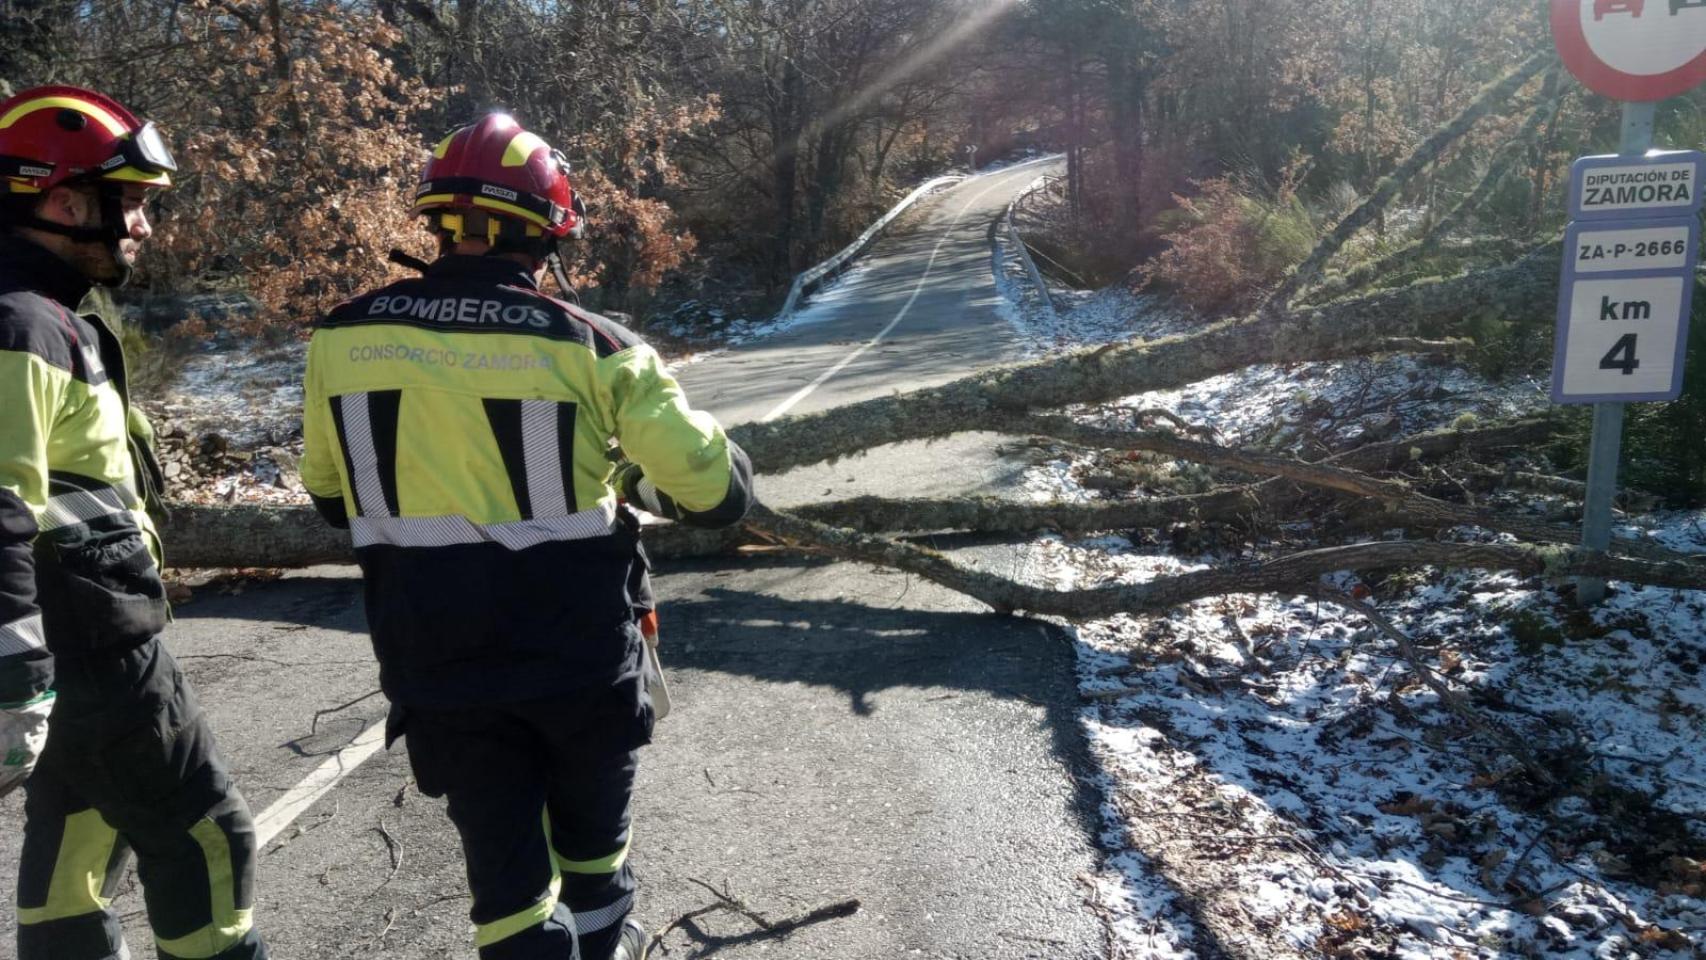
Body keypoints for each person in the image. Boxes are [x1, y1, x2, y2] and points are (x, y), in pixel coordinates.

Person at [300, 112, 753, 960]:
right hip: (578, 656)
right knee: (593, 845)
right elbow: (715, 492)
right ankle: (606, 939)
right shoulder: (595, 343)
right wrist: (634, 475)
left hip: (433, 658)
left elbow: (331, 493)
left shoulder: (342, 334)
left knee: (505, 887)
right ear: (550, 230)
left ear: (438, 222)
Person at [0, 85, 268, 960]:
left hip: (74, 639)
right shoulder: (22, 325)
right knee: (206, 840)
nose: (144, 226)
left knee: (78, 845)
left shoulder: (45, 313)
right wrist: (16, 679)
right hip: (90, 645)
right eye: (134, 203)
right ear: (64, 200)